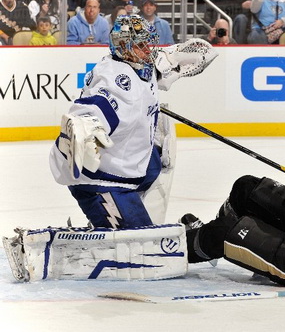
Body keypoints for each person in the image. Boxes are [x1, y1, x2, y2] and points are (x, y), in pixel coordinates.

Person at [3, 14, 218, 282]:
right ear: (124, 47)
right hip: (104, 182)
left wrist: (178, 58)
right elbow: (92, 109)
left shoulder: (141, 63)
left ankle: (112, 218)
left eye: (148, 44)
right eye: (141, 45)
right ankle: (51, 245)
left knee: (159, 159)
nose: (147, 50)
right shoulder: (115, 80)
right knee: (145, 250)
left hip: (131, 164)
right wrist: (85, 128)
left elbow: (184, 60)